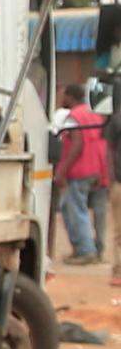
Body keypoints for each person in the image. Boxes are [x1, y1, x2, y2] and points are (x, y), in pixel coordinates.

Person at [54, 83, 110, 263]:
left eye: (63, 94)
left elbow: (77, 145)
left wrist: (61, 171)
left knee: (76, 209)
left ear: (70, 96)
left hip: (79, 170)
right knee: (96, 211)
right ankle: (94, 249)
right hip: (98, 167)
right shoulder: (95, 114)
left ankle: (86, 251)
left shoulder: (73, 117)